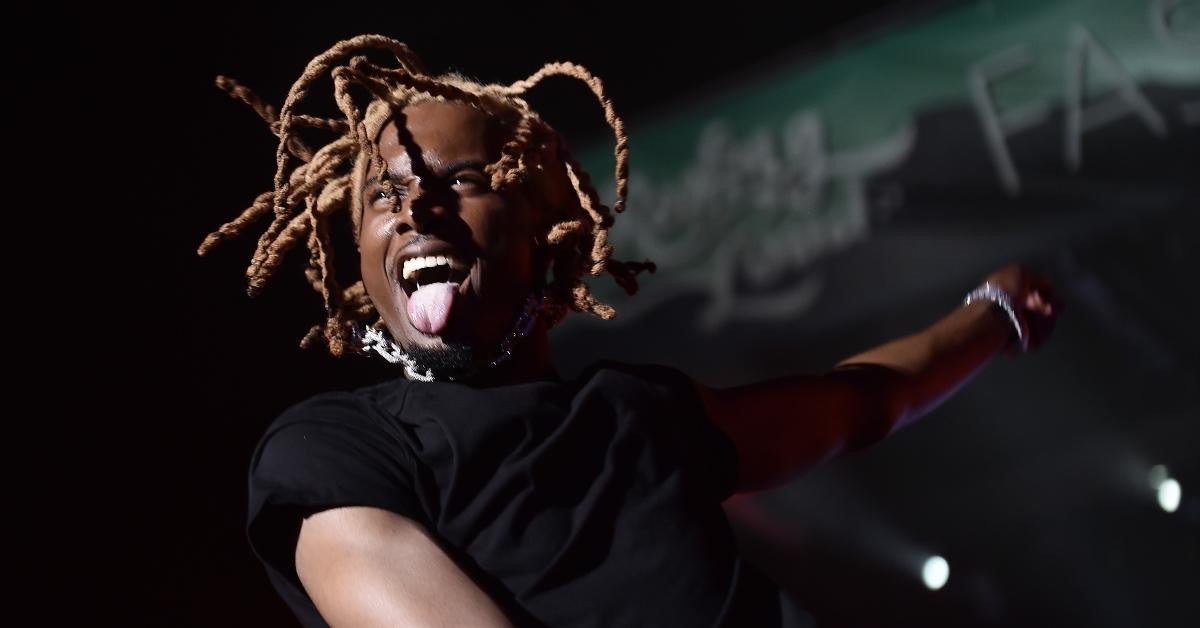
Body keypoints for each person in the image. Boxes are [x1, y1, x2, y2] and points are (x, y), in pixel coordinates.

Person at [198, 35, 1062, 627]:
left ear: (551, 233)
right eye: (384, 195)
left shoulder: (640, 414)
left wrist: (991, 315)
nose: (416, 203)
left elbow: (864, 402)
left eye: (461, 180)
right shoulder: (336, 450)